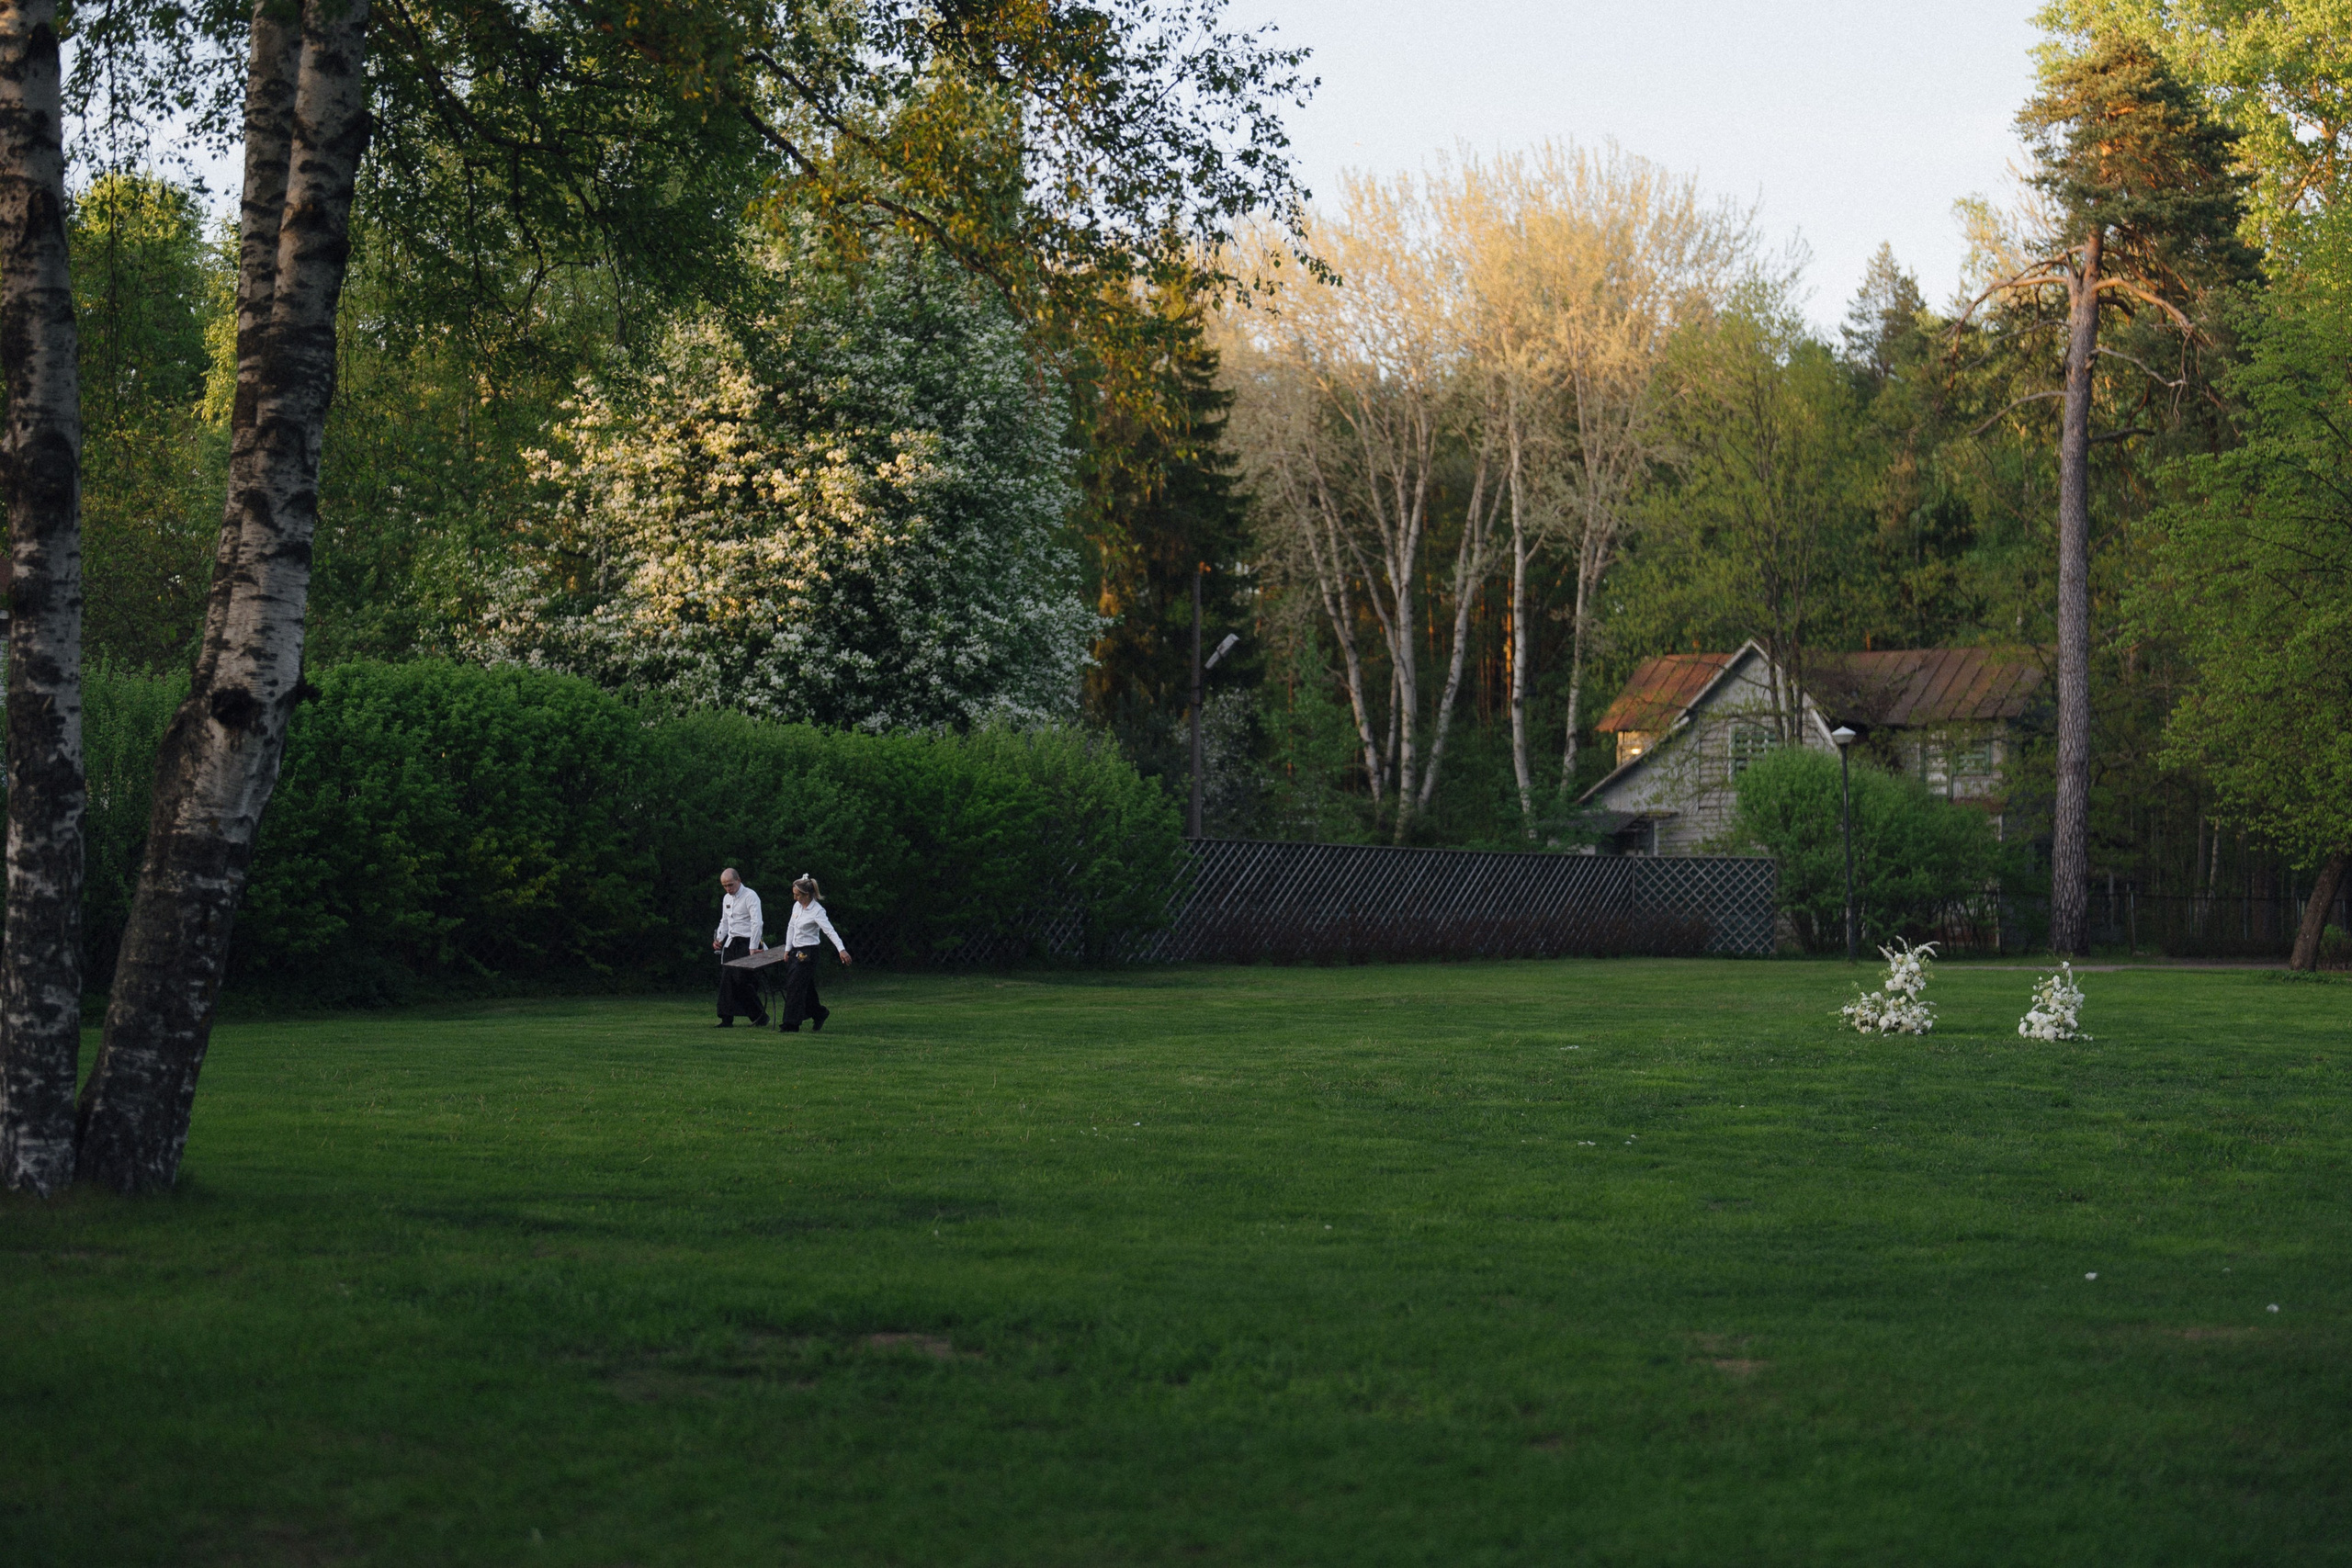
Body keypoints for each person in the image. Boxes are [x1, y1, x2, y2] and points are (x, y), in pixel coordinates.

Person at [777, 873, 851, 1032]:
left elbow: (830, 931)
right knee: (805, 987)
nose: (795, 898)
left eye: (797, 895)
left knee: (795, 986)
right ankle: (819, 1013)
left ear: (807, 894)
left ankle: (791, 1024)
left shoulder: (817, 911)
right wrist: (787, 949)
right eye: (794, 895)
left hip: (809, 952)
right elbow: (791, 927)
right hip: (796, 950)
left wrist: (841, 950)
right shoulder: (797, 906)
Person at [710, 867, 769, 1027]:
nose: (728, 889)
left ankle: (759, 1015)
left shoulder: (750, 896)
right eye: (725, 886)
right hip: (732, 943)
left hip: (748, 941)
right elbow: (725, 921)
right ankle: (726, 1018)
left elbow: (757, 923)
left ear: (739, 880)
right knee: (727, 979)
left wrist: (753, 946)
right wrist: (719, 938)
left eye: (730, 885)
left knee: (740, 980)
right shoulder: (726, 899)